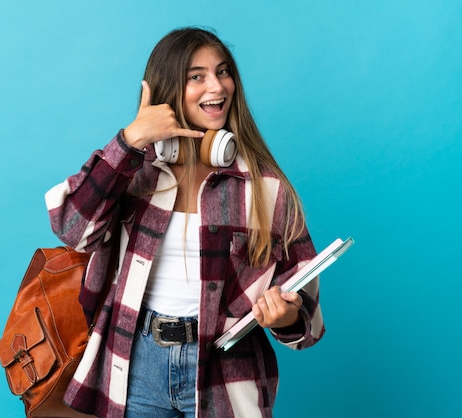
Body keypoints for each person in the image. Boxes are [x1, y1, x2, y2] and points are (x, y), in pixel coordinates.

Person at [45, 27, 324, 418]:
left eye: (223, 71)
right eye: (197, 76)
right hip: (134, 362)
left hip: (225, 370)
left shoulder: (266, 189)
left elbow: (309, 318)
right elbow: (73, 228)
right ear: (169, 89)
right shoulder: (136, 173)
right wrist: (131, 139)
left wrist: (289, 315)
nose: (217, 85)